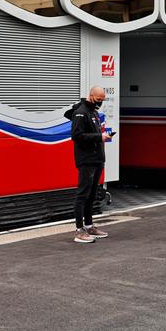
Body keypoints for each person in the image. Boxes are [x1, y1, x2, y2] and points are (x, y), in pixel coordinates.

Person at [65, 86, 111, 244]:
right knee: (82, 194)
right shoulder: (81, 112)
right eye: (98, 99)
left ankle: (90, 225)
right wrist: (99, 137)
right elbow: (77, 136)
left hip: (97, 159)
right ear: (91, 96)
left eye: (102, 100)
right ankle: (79, 230)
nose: (100, 102)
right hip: (86, 160)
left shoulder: (94, 112)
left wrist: (102, 137)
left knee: (92, 194)